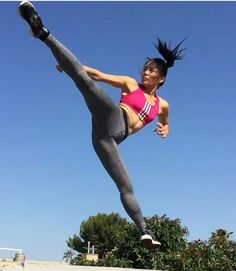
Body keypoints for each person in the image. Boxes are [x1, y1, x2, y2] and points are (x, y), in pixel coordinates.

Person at [18, 1, 185, 249]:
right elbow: (98, 75)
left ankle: (145, 232)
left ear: (161, 78)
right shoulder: (130, 84)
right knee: (86, 84)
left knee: (126, 186)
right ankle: (43, 33)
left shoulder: (163, 104)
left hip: (108, 140)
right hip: (112, 117)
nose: (145, 73)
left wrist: (165, 128)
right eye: (145, 68)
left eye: (151, 71)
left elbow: (165, 120)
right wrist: (72, 67)